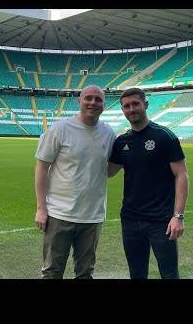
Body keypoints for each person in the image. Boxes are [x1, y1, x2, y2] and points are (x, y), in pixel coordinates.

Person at [34, 85, 116, 279]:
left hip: (92, 217)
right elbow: (41, 167)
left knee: (85, 272)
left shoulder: (109, 133)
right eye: (88, 98)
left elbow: (108, 171)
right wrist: (41, 208)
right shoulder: (60, 129)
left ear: (104, 104)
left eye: (98, 99)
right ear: (79, 101)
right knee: (52, 271)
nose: (93, 103)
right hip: (59, 214)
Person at [108, 87, 189, 279]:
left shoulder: (164, 136)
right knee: (136, 273)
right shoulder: (122, 141)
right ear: (122, 110)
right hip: (130, 220)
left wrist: (178, 216)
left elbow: (182, 175)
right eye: (126, 106)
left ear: (145, 104)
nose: (131, 109)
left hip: (161, 221)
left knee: (169, 274)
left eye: (135, 104)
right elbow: (108, 172)